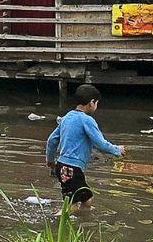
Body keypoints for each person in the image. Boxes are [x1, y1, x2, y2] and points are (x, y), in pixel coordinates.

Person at [45, 84, 125, 213]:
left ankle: (82, 221)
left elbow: (52, 140)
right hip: (73, 169)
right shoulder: (87, 120)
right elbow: (101, 144)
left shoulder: (66, 118)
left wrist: (50, 160)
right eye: (97, 103)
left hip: (62, 166)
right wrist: (117, 150)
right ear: (92, 103)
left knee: (87, 199)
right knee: (72, 204)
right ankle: (58, 223)